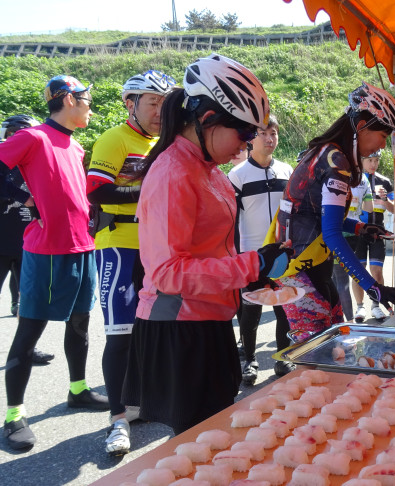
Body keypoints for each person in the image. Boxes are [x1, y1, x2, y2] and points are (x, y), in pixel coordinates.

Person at [120, 53, 292, 435]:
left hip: (209, 317)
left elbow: (213, 249)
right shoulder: (173, 171)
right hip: (179, 326)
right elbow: (166, 272)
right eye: (244, 134)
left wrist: (256, 267)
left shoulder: (207, 168)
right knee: (198, 446)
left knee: (216, 436)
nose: (247, 147)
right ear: (209, 120)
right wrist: (250, 266)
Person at [1, 75, 107, 451]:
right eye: (86, 99)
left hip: (82, 247)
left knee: (80, 322)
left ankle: (78, 390)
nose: (89, 105)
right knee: (29, 332)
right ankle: (14, 415)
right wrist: (22, 200)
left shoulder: (75, 146)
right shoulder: (33, 137)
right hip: (46, 251)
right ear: (68, 100)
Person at [86, 70, 177, 455]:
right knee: (120, 336)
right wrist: (146, 189)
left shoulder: (166, 142)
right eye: (152, 102)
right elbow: (97, 188)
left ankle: (144, 403)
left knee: (153, 331)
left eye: (164, 103)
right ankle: (117, 420)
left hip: (156, 249)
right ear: (131, 103)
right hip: (119, 247)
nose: (159, 110)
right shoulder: (114, 138)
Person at [270, 82, 395, 334]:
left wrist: (360, 227)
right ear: (361, 126)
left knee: (331, 339)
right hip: (300, 267)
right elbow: (332, 234)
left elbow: (316, 215)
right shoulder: (336, 162)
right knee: (317, 354)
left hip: (304, 263)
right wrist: (373, 288)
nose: (380, 147)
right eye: (383, 136)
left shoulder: (327, 152)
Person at [228, 115, 294, 385]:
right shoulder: (237, 175)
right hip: (251, 256)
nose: (270, 139)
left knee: (284, 309)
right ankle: (249, 360)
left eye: (274, 133)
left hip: (281, 255)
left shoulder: (288, 172)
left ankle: (282, 356)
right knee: (251, 310)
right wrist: (234, 256)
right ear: (249, 139)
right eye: (263, 133)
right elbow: (229, 222)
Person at [0, 115, 55, 365]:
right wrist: (23, 198)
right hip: (2, 244)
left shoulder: (32, 164)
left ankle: (27, 349)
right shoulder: (4, 165)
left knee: (28, 299)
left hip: (27, 244)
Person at [352, 150, 394, 323]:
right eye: (370, 160)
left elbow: (394, 209)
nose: (373, 164)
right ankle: (360, 306)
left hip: (378, 231)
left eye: (376, 160)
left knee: (377, 271)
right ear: (361, 160)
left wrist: (385, 201)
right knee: (358, 271)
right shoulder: (354, 180)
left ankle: (376, 305)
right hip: (358, 230)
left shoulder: (385, 182)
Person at [335, 159, 373, 323]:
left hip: (334, 233)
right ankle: (348, 322)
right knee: (343, 279)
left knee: (337, 281)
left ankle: (347, 322)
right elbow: (369, 208)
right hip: (354, 234)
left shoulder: (336, 175)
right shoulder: (363, 179)